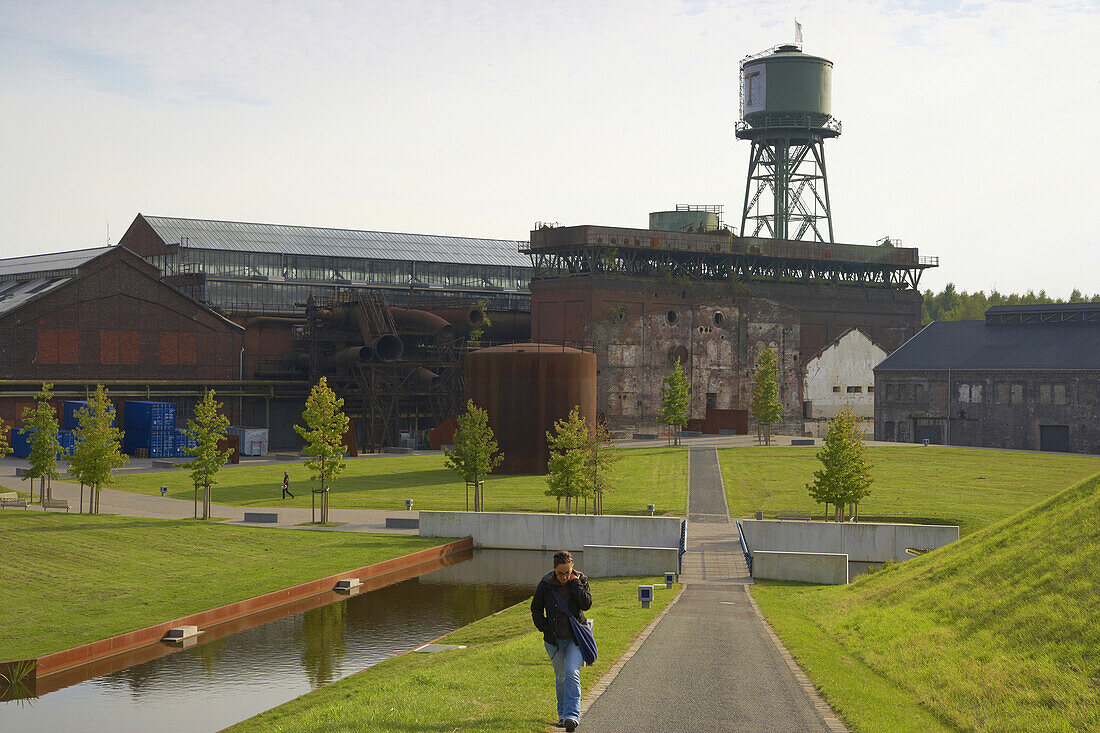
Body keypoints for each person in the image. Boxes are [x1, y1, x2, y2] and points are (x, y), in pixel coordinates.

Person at [531, 550, 592, 732]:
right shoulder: (545, 584)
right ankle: (562, 716)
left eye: (567, 572)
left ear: (572, 568)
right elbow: (535, 609)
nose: (564, 576)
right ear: (554, 571)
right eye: (560, 573)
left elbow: (586, 604)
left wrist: (575, 584)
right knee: (561, 678)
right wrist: (545, 627)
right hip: (554, 641)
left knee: (572, 672)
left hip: (575, 639)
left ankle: (572, 716)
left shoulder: (580, 580)